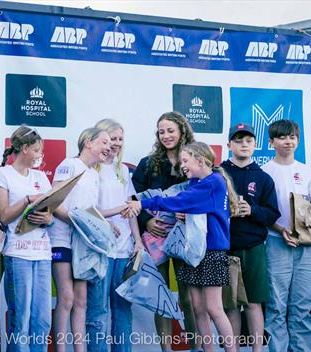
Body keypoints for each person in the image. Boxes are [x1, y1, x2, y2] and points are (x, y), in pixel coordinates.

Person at [124, 142, 238, 352]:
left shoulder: (213, 182)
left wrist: (144, 204)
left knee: (214, 308)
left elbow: (180, 200)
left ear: (201, 160)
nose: (181, 166)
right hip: (191, 251)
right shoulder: (197, 182)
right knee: (197, 308)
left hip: (212, 253)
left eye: (185, 161)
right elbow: (187, 204)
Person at [130, 111, 197, 350]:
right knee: (162, 297)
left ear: (182, 132)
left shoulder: (193, 160)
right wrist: (146, 220)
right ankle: (166, 349)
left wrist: (188, 213)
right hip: (154, 237)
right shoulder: (148, 164)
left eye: (171, 130)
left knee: (189, 298)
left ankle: (195, 347)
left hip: (184, 237)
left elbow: (204, 193)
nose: (166, 135)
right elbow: (133, 199)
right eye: (161, 131)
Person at [260, 119, 311, 352]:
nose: (288, 142)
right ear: (272, 142)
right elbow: (264, 212)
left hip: (305, 245)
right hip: (276, 242)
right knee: (276, 305)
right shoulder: (264, 172)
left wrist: (304, 229)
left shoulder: (308, 171)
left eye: (292, 137)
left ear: (298, 140)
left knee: (303, 305)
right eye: (282, 137)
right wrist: (283, 230)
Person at [0, 126, 54, 352]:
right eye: (36, 150)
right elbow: (4, 215)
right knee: (21, 318)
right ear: (24, 148)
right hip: (18, 254)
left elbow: (51, 213)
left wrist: (47, 217)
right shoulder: (2, 174)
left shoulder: (40, 177)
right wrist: (27, 199)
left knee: (42, 319)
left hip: (43, 253)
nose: (40, 156)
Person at [49, 127, 111, 352]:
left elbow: (90, 211)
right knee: (66, 298)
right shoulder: (69, 165)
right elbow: (54, 202)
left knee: (81, 301)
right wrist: (81, 224)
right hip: (62, 239)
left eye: (110, 143)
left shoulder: (94, 174)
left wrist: (103, 225)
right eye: (104, 142)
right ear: (88, 142)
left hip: (85, 243)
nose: (109, 146)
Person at [219, 123, 280, 352]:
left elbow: (273, 213)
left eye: (248, 141)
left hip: (254, 247)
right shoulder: (219, 174)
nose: (244, 144)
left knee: (254, 303)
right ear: (229, 145)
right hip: (225, 246)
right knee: (231, 304)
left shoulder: (263, 178)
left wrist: (252, 210)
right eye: (238, 140)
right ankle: (231, 350)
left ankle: (257, 350)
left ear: (255, 145)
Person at [86, 119, 142, 352]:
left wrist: (137, 240)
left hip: (125, 249)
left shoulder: (123, 170)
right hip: (100, 249)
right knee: (97, 310)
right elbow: (84, 210)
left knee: (122, 310)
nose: (116, 144)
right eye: (111, 139)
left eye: (120, 139)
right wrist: (106, 224)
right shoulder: (89, 169)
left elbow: (130, 209)